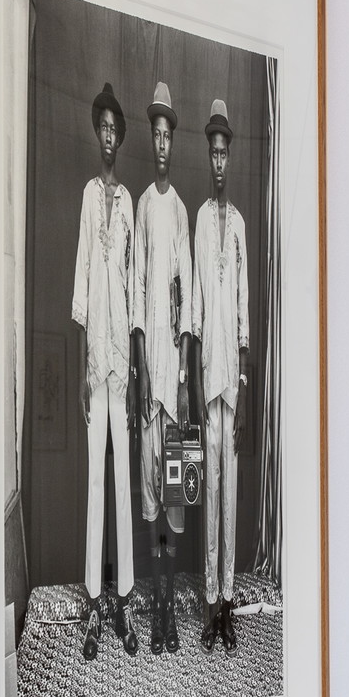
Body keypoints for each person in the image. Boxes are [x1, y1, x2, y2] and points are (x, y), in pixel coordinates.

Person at [67, 83, 140, 658]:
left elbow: (133, 293)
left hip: (123, 366)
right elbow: (83, 286)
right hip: (96, 365)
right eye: (104, 128)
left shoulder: (132, 204)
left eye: (117, 128)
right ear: (98, 134)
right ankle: (93, 599)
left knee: (123, 480)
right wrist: (79, 375)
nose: (110, 136)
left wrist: (134, 371)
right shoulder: (91, 197)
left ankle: (126, 598)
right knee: (96, 480)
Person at [131, 87, 198, 650]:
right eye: (153, 133)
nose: (159, 143)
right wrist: (142, 370)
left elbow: (187, 301)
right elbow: (138, 293)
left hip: (174, 381)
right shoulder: (141, 207)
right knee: (150, 492)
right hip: (148, 375)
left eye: (166, 135)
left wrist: (180, 374)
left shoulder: (179, 211)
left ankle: (172, 611)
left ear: (174, 142)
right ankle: (154, 607)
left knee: (176, 498)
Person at [193, 108, 253, 648]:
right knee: (208, 491)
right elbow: (196, 309)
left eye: (223, 151)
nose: (217, 160)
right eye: (210, 150)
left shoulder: (237, 225)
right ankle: (210, 604)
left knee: (229, 496)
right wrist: (194, 383)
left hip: (230, 383)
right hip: (205, 377)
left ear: (229, 157)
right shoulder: (199, 222)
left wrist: (244, 391)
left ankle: (229, 603)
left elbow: (242, 311)